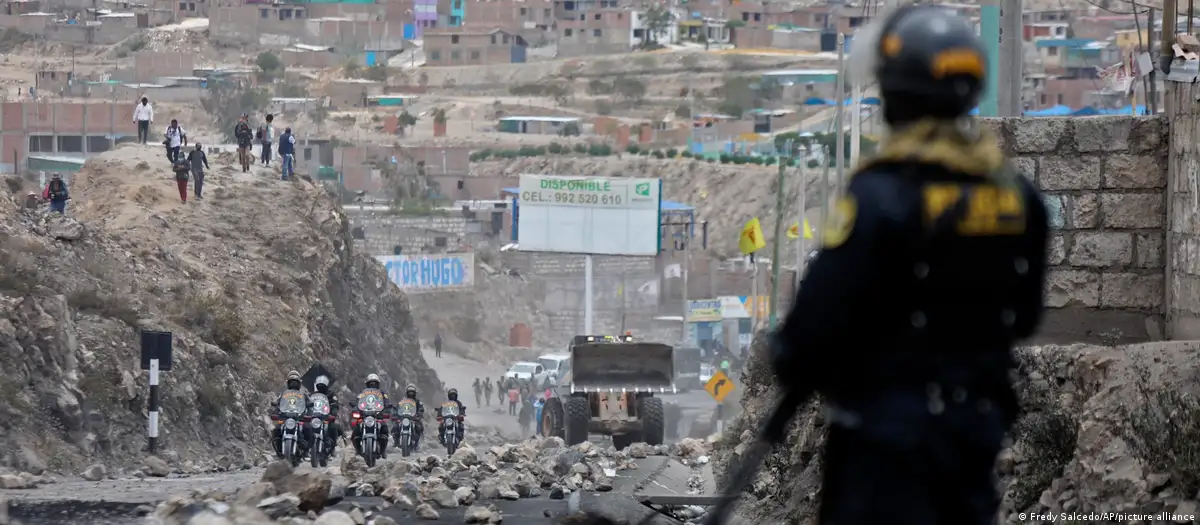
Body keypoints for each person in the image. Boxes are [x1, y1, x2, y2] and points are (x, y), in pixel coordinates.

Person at [768, 7, 1048, 525]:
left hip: (885, 446)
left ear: (894, 96)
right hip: (973, 435)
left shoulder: (881, 196)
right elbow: (1026, 317)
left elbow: (809, 333)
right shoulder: (1017, 197)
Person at [351, 373, 392, 458]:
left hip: (377, 416)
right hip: (364, 416)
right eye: (371, 383)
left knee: (384, 430)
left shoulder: (382, 394)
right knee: (355, 433)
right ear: (367, 384)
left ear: (378, 384)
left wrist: (386, 409)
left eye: (374, 383)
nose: (373, 385)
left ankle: (383, 450)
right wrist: (355, 409)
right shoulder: (362, 394)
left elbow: (386, 403)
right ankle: (358, 450)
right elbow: (357, 403)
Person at [269, 371, 307, 459]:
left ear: (299, 383)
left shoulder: (303, 395)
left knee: (307, 429)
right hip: (285, 417)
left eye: (295, 382)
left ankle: (305, 451)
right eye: (291, 382)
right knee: (277, 429)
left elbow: (309, 403)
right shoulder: (284, 394)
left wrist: (310, 406)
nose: (293, 384)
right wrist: (275, 404)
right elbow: (278, 401)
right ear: (288, 383)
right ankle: (279, 450)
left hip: (298, 417)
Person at [311, 375, 341, 456]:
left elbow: (335, 404)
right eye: (319, 386)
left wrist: (333, 412)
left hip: (326, 416)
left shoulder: (331, 394)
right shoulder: (313, 395)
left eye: (323, 386)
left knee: (333, 427)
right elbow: (309, 404)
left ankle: (333, 447)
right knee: (306, 427)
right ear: (317, 386)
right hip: (315, 416)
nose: (321, 387)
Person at [393, 383, 426, 449]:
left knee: (419, 427)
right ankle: (396, 442)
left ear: (415, 393)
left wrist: (419, 415)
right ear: (407, 393)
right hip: (403, 418)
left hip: (413, 419)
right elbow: (398, 408)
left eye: (412, 392)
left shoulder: (418, 402)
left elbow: (421, 409)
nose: (411, 394)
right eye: (409, 392)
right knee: (395, 427)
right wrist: (395, 415)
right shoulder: (402, 401)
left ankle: (417, 443)